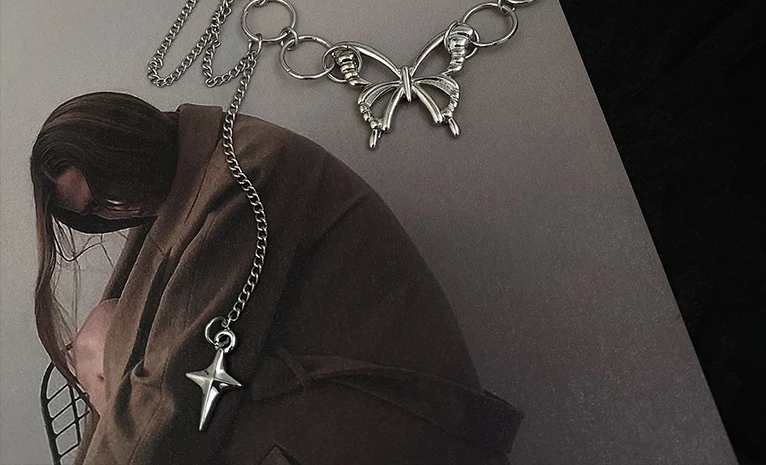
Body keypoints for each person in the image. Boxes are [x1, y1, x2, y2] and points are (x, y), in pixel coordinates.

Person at [31, 92, 523, 465]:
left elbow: (178, 387)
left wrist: (109, 350)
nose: (118, 208)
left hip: (386, 421)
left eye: (110, 187)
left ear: (125, 140)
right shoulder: (189, 176)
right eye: (94, 211)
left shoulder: (244, 174)